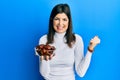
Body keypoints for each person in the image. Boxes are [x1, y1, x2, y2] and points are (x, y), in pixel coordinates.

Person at [35, 3, 100, 80]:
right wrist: (45, 57)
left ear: (69, 21)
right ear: (52, 20)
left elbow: (81, 72)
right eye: (57, 19)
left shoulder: (76, 40)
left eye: (64, 19)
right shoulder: (44, 40)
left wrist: (90, 49)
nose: (60, 23)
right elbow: (44, 73)